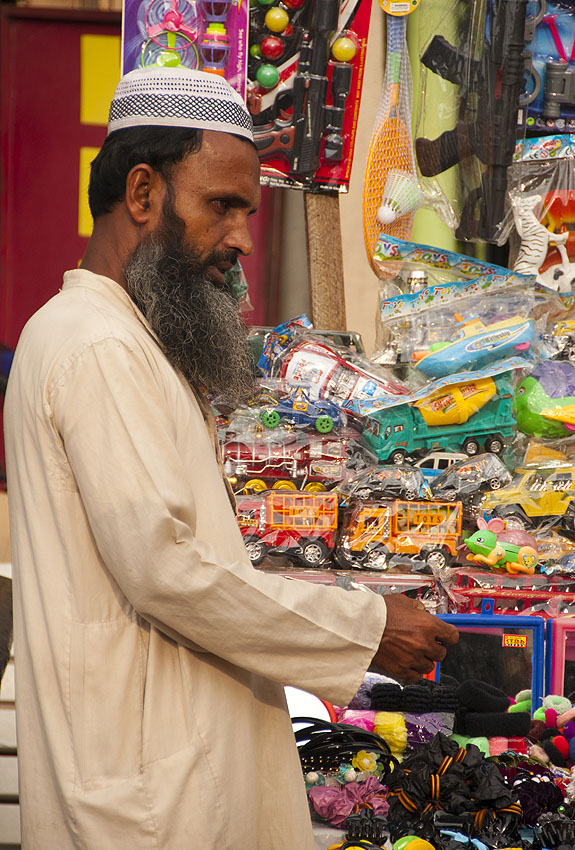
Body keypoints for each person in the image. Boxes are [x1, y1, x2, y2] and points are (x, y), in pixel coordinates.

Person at [4, 67, 458, 850]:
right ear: (142, 194)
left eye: (247, 211)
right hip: (150, 800)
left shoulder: (123, 339)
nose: (244, 239)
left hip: (168, 775)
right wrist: (364, 627)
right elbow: (164, 570)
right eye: (222, 207)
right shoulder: (98, 345)